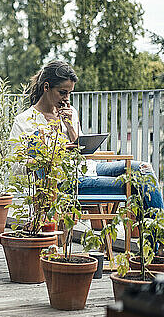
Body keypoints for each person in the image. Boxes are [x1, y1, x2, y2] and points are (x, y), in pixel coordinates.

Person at [9, 60, 163, 211]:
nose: (67, 98)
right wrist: (50, 156)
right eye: (62, 92)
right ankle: (156, 233)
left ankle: (158, 233)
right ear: (46, 87)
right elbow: (15, 166)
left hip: (89, 168)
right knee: (136, 184)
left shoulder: (71, 113)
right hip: (66, 180)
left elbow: (83, 153)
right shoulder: (24, 121)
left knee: (144, 168)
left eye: (70, 93)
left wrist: (70, 126)